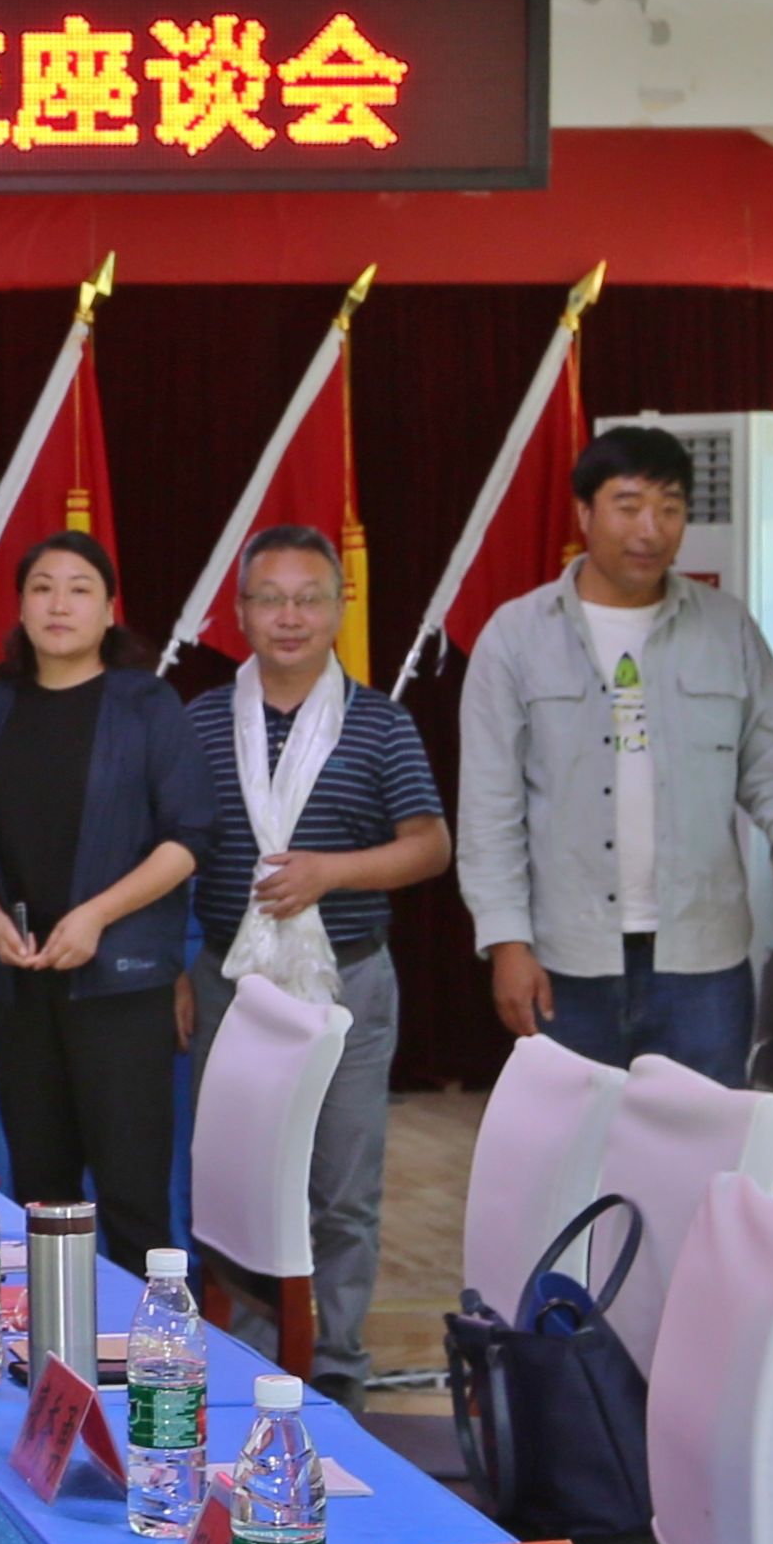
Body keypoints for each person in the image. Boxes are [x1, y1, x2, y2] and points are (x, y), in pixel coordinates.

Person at [457, 425, 773, 1084]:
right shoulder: (516, 637)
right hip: (566, 958)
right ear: (584, 513)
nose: (650, 530)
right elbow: (490, 809)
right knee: (573, 1146)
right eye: (628, 507)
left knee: (702, 1141)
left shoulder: (726, 627)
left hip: (702, 962)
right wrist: (506, 943)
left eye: (671, 508)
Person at [177, 525, 450, 1406]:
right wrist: (180, 965)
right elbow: (171, 851)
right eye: (270, 599)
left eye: (308, 599)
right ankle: (246, 1361)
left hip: (348, 985)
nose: (289, 617)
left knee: (341, 1189)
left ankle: (335, 1366)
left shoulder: (380, 722)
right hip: (229, 984)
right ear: (239, 612)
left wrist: (331, 872)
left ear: (339, 609)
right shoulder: (199, 723)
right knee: (239, 1184)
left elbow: (430, 846)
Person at [0, 532, 200, 1265]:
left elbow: (187, 839)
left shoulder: (147, 705)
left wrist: (95, 917)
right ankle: (57, 1335)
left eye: (79, 588)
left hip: (121, 987)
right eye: (42, 587)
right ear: (21, 607)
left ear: (109, 609)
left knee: (132, 1197)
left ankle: (148, 1335)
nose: (59, 603)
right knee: (42, 1194)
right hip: (21, 985)